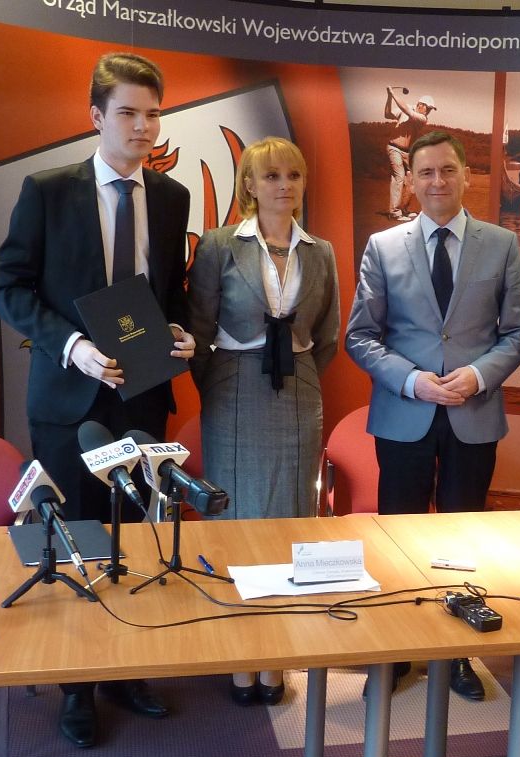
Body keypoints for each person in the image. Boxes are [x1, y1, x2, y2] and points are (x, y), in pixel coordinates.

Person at [0, 52, 194, 748]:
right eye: (128, 113)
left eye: (153, 114)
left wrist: (181, 333)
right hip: (69, 398)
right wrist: (71, 345)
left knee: (134, 540)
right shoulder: (47, 190)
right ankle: (77, 686)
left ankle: (126, 670)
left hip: (141, 396)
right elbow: (7, 288)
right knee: (77, 540)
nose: (143, 127)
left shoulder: (171, 197)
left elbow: (170, 293)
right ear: (96, 117)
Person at [347, 131, 520, 700]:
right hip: (404, 413)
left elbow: (517, 332)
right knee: (398, 538)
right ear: (411, 179)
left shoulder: (501, 244)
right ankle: (397, 651)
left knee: (462, 538)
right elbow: (360, 335)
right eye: (425, 172)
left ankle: (456, 655)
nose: (437, 181)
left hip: (472, 412)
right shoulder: (383, 246)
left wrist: (477, 375)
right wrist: (412, 379)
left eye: (447, 170)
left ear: (467, 175)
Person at [187, 136, 340, 707]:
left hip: (297, 391)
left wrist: (296, 374)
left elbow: (327, 336)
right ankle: (240, 658)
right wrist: (224, 383)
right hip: (232, 390)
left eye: (293, 175)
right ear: (248, 184)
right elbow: (199, 331)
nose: (284, 185)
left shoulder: (320, 252)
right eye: (271, 176)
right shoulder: (220, 245)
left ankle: (275, 658)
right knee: (236, 521)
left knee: (289, 520)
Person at [384, 87, 435, 221]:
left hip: (407, 152)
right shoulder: (407, 108)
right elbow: (388, 114)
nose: (428, 112)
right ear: (420, 105)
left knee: (413, 178)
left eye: (430, 110)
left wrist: (393, 94)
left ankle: (403, 209)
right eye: (428, 108)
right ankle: (395, 212)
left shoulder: (422, 118)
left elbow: (406, 110)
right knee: (399, 176)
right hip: (393, 148)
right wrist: (389, 97)